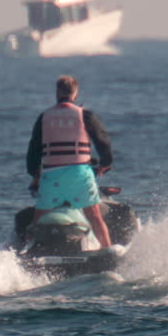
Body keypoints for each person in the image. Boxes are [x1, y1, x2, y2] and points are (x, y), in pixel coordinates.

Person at [26, 75, 114, 248]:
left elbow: (34, 149)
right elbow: (102, 141)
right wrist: (105, 164)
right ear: (75, 93)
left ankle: (27, 250)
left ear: (57, 93)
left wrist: (35, 174)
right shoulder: (85, 115)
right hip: (79, 174)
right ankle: (108, 251)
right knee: (94, 215)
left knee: (37, 219)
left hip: (52, 175)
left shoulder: (44, 117)